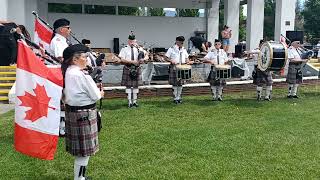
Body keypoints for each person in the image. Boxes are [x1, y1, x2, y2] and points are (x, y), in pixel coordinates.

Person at [61, 44, 104, 180]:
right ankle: (79, 179)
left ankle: (80, 178)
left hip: (74, 113)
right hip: (84, 115)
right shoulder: (81, 75)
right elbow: (96, 95)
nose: (87, 59)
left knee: (81, 152)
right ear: (75, 60)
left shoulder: (68, 72)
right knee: (84, 153)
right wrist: (101, 92)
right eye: (84, 57)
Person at [118, 32, 144, 108]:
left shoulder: (139, 48)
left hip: (137, 68)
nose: (132, 43)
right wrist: (132, 62)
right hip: (128, 68)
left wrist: (142, 59)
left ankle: (135, 102)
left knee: (136, 86)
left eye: (134, 41)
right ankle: (129, 102)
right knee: (129, 86)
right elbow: (122, 59)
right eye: (131, 41)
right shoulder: (124, 49)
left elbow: (146, 56)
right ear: (128, 41)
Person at [165, 36, 192, 104]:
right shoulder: (171, 49)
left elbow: (186, 58)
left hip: (182, 67)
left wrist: (188, 61)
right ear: (177, 41)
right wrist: (171, 60)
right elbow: (166, 57)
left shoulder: (184, 49)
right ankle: (175, 98)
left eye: (182, 42)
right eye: (180, 42)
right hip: (174, 67)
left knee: (180, 84)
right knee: (175, 84)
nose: (181, 43)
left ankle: (179, 97)